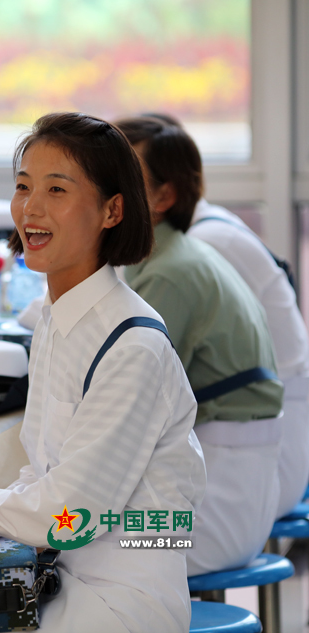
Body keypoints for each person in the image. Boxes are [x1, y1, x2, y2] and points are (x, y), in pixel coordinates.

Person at [0, 113, 206, 632]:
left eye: (56, 189)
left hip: (116, 602)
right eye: (23, 187)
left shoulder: (133, 345)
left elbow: (68, 515)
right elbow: (40, 475)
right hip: (51, 575)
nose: (32, 208)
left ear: (113, 210)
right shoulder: (54, 318)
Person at [115, 116, 284, 576]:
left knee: (76, 552)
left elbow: (129, 405)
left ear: (163, 197)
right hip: (225, 487)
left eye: (118, 176)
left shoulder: (172, 273)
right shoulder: (166, 258)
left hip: (217, 512)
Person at [136, 113, 309, 520]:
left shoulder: (190, 253)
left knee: (80, 548)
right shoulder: (194, 236)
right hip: (247, 442)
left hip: (261, 453)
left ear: (166, 193)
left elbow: (139, 389)